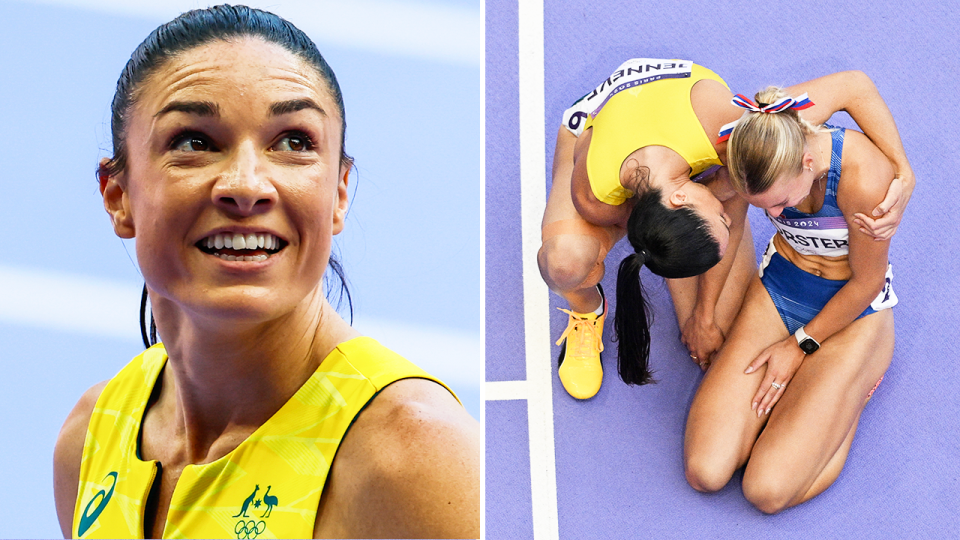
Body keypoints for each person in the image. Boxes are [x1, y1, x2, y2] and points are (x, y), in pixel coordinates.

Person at [52, 6, 480, 538]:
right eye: (193, 142)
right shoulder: (92, 437)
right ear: (118, 197)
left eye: (294, 142)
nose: (247, 184)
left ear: (339, 194)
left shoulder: (410, 456)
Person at [539, 58, 913, 399]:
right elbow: (651, 231)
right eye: (721, 216)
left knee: (718, 327)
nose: (732, 214)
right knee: (565, 264)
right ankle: (588, 311)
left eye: (720, 216)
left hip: (684, 123)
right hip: (591, 128)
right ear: (681, 199)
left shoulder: (733, 133)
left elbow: (852, 84)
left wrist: (903, 172)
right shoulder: (595, 197)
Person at [683, 86, 903, 513]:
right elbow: (723, 217)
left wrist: (798, 345)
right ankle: (814, 398)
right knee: (706, 472)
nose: (780, 215)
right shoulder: (757, 143)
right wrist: (704, 314)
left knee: (765, 492)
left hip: (854, 311)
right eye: (768, 208)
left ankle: (854, 388)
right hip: (781, 290)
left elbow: (867, 283)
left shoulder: (863, 176)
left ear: (808, 162)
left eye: (784, 201)